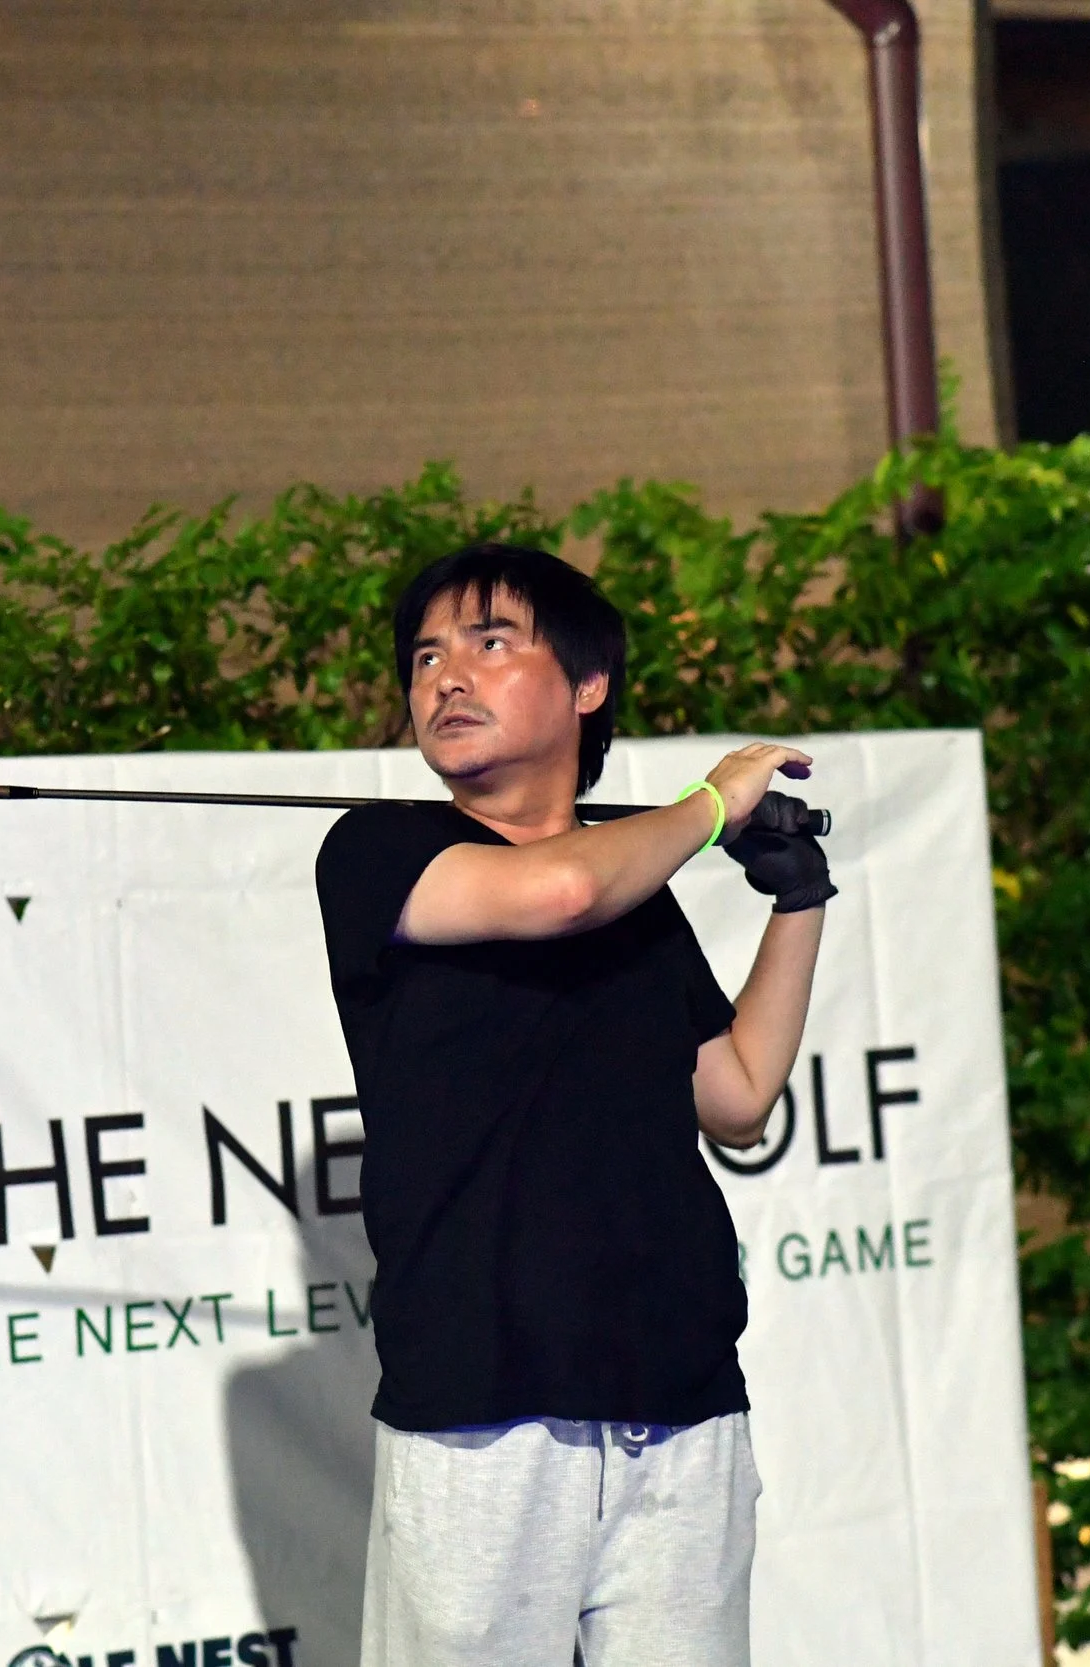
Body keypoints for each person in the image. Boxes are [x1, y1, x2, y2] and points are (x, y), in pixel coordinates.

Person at [315, 542, 833, 1667]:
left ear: (588, 682)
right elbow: (557, 889)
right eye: (424, 656)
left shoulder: (635, 897)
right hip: (482, 1424)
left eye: (489, 642)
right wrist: (712, 802)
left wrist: (800, 900)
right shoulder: (380, 850)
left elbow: (738, 1095)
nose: (445, 676)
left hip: (681, 1410)